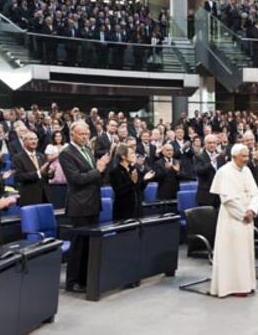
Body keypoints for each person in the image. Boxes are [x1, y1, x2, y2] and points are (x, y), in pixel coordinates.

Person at [59, 121, 111, 293]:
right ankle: (73, 281)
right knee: (79, 246)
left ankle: (86, 278)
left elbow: (95, 176)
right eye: (81, 134)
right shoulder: (66, 153)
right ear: (72, 134)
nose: (85, 137)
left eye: (87, 134)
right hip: (79, 205)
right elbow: (76, 179)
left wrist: (101, 170)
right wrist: (98, 170)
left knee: (90, 245)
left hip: (93, 203)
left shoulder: (88, 150)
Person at [209, 144, 258, 298]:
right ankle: (230, 286)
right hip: (232, 218)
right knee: (232, 253)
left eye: (247, 156)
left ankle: (246, 284)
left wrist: (252, 209)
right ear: (234, 156)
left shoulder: (247, 170)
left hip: (248, 216)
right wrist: (243, 214)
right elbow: (227, 199)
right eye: (243, 156)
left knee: (245, 253)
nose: (246, 159)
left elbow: (254, 193)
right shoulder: (224, 172)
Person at [110, 144, 155, 220]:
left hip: (137, 209)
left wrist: (145, 179)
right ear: (123, 156)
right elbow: (119, 191)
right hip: (124, 210)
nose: (134, 155)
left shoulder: (134, 169)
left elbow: (139, 188)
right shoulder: (115, 172)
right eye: (131, 153)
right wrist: (132, 182)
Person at [12, 131, 52, 206]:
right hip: (29, 197)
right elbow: (19, 177)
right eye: (31, 139)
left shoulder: (41, 156)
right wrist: (38, 173)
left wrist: (50, 172)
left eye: (35, 139)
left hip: (45, 197)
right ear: (24, 141)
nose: (34, 141)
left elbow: (46, 174)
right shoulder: (17, 158)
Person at [194, 134, 226, 207]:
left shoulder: (220, 157)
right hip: (205, 195)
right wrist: (211, 163)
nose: (212, 145)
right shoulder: (199, 157)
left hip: (219, 195)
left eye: (214, 143)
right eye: (209, 143)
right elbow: (198, 171)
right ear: (205, 144)